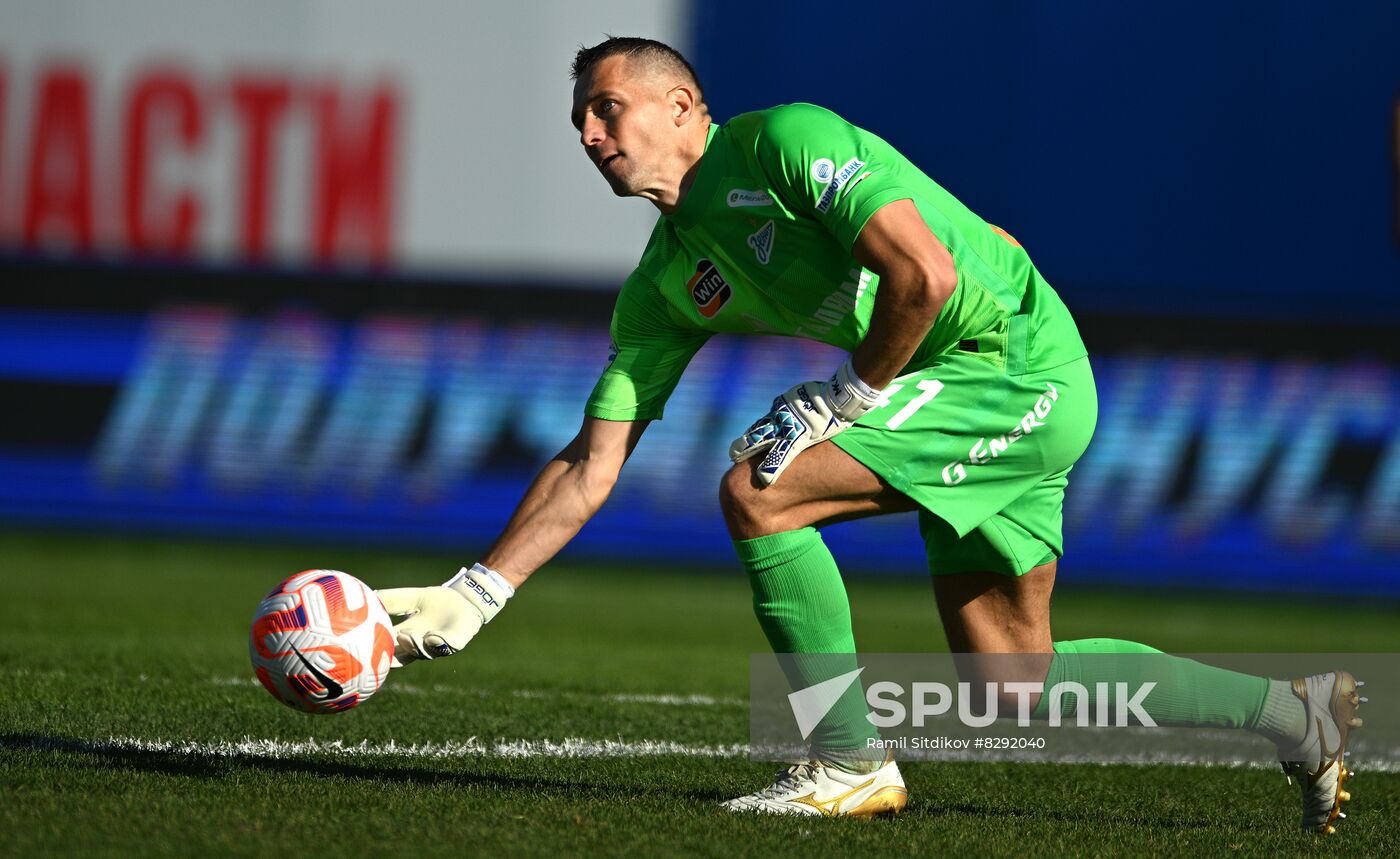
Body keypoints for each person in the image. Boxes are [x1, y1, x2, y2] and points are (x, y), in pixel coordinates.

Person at [375, 37, 1361, 831]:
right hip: (952, 386)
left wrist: (842, 395)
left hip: (1009, 362)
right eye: (580, 121)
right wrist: (478, 591)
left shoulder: (782, 143)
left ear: (681, 107)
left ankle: (844, 759)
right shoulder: (665, 282)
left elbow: (923, 276)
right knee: (1014, 682)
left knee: (757, 489)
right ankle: (1296, 715)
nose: (589, 133)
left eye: (606, 107)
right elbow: (592, 465)